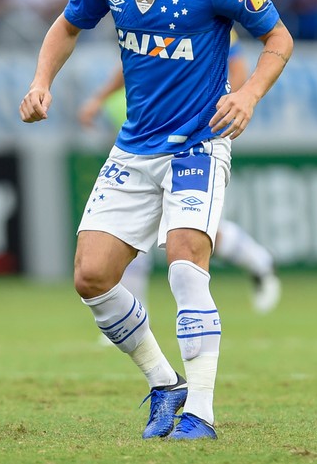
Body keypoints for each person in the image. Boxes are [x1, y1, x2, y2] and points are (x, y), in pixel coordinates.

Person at [19, 0, 293, 441]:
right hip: (135, 147)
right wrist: (42, 82)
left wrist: (247, 98)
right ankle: (164, 383)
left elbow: (277, 38)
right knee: (91, 277)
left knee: (186, 262)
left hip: (199, 141)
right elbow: (67, 26)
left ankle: (201, 412)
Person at [78, 32, 282, 316]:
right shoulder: (152, 14)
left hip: (195, 137)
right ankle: (134, 317)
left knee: (192, 232)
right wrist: (100, 98)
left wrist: (220, 112)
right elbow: (131, 65)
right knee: (146, 230)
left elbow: (236, 65)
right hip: (150, 135)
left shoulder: (206, 9)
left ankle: (258, 261)